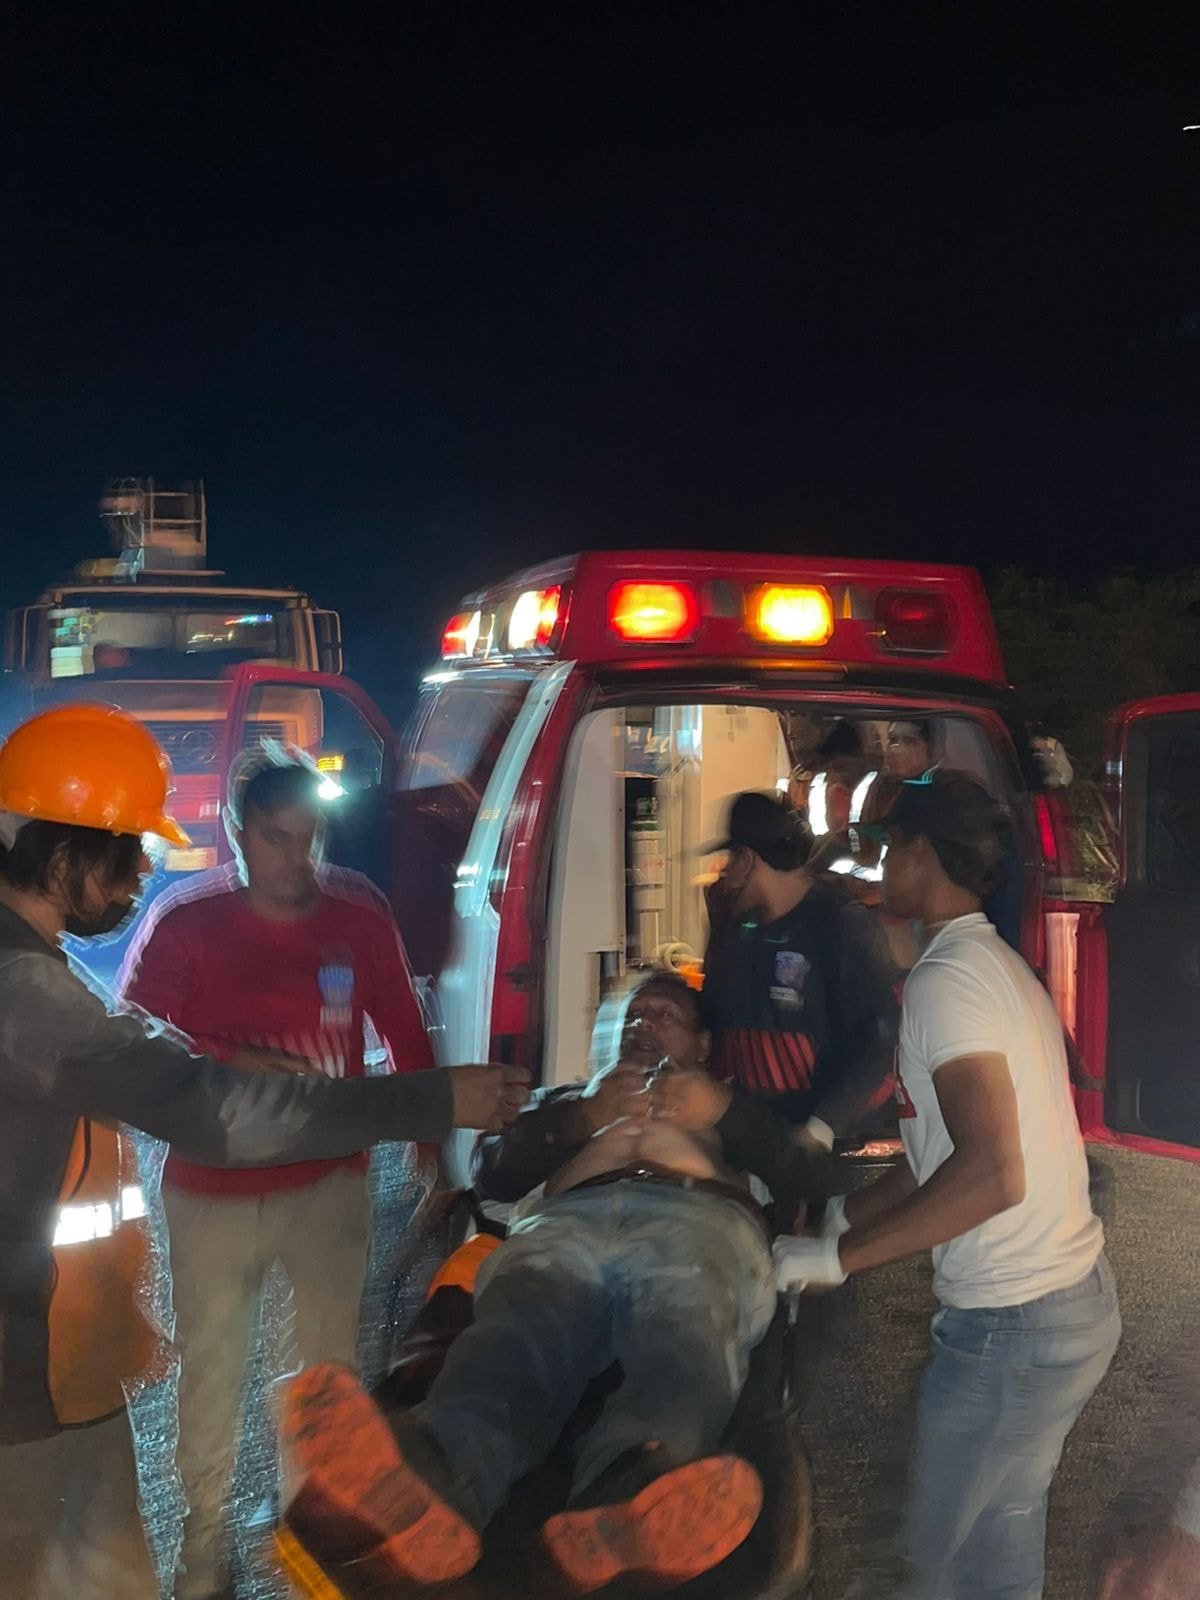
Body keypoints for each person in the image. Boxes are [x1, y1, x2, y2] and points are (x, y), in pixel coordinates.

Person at [0, 703, 527, 1600]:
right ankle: (207, 1561)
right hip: (20, 1377)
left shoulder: (37, 970)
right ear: (60, 859)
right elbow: (209, 1108)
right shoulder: (25, 990)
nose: (138, 877)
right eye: (127, 853)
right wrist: (428, 1100)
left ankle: (311, 1549)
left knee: (122, 1554)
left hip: (57, 1362)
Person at [281, 971, 792, 1595]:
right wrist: (585, 1115)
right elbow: (490, 1170)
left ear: (704, 1044)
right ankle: (430, 1481)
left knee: (685, 1329)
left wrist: (724, 1112)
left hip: (696, 1221)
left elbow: (807, 1165)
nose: (643, 1025)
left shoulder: (724, 1109)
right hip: (569, 1222)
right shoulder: (575, 1099)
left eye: (664, 1015)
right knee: (516, 1334)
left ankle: (631, 1496)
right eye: (632, 1016)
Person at [770, 770, 1120, 1600]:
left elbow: (991, 1173)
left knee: (911, 1565)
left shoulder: (947, 981)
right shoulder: (987, 965)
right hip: (1063, 1308)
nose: (879, 867)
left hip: (1014, 1325)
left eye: (887, 848)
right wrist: (836, 1224)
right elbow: (937, 1163)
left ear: (921, 853)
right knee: (991, 1561)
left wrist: (838, 1264)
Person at [116, 755, 435, 1600]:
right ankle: (203, 1555)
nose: (295, 861)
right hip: (212, 1189)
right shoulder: (187, 920)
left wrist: (435, 1145)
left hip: (330, 1180)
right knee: (212, 1375)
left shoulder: (357, 915)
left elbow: (405, 1034)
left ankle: (308, 1540)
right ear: (237, 831)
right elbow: (135, 1040)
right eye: (275, 839)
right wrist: (237, 1056)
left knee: (326, 1379)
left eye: (308, 840)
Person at [700, 790, 898, 1150]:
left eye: (730, 859)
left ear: (748, 859)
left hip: (823, 1147)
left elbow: (878, 1037)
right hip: (747, 1137)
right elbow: (713, 1020)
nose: (725, 874)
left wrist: (822, 1128)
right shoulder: (736, 928)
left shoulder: (838, 924)